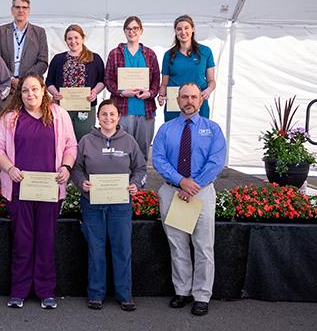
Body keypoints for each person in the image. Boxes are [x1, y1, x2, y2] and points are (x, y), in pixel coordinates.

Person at [0, 74, 77, 310]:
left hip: (50, 190)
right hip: (19, 189)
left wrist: (66, 167)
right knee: (22, 240)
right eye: (26, 90)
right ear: (21, 93)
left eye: (35, 89)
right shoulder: (10, 117)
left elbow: (71, 145)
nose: (31, 94)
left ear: (43, 90)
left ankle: (46, 291)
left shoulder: (59, 115)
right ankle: (18, 291)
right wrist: (10, 168)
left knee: (46, 240)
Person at [152, 83, 226, 316]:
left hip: (201, 192)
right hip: (172, 191)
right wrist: (180, 181)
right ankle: (182, 291)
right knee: (178, 244)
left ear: (201, 100)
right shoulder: (166, 129)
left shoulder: (212, 129)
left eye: (194, 97)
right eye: (184, 97)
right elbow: (158, 159)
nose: (189, 101)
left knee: (203, 246)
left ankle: (202, 295)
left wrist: (192, 185)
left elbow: (216, 161)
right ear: (178, 99)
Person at [71, 99, 147, 311]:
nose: (108, 118)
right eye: (104, 114)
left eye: (112, 114)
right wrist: (81, 182)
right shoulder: (86, 141)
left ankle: (125, 295)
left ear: (118, 117)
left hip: (120, 205)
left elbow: (141, 169)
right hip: (92, 203)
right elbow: (75, 169)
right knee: (96, 249)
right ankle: (96, 294)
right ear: (98, 117)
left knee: (122, 248)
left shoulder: (129, 141)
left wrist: (134, 185)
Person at [104, 16, 160, 161]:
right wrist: (121, 92)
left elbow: (156, 80)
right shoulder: (115, 54)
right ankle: (121, 182)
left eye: (135, 28)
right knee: (121, 151)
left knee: (142, 152)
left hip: (145, 111)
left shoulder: (150, 54)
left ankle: (140, 182)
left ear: (141, 30)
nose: (132, 31)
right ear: (124, 31)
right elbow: (108, 80)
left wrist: (150, 93)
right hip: (122, 111)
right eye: (128, 29)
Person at [46, 24, 105, 142]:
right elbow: (49, 82)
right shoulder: (58, 59)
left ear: (83, 38)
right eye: (69, 38)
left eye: (76, 38)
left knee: (84, 139)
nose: (73, 41)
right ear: (66, 41)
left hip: (86, 107)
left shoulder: (95, 58)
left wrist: (95, 92)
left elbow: (102, 80)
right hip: (63, 107)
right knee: (62, 139)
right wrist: (55, 93)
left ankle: (82, 161)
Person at [158, 15, 216, 122]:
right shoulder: (168, 55)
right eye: (179, 29)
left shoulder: (205, 52)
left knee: (198, 136)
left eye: (186, 28)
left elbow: (211, 81)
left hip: (199, 104)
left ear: (193, 29)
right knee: (174, 137)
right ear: (175, 31)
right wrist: (161, 96)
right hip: (174, 105)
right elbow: (164, 84)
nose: (183, 32)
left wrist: (208, 90)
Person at [0, 0, 49, 98]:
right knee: (8, 114)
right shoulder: (1, 31)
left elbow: (43, 62)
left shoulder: (39, 32)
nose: (21, 10)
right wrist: (11, 79)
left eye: (24, 7)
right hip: (7, 87)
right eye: (17, 7)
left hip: (32, 89)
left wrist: (25, 80)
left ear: (29, 10)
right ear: (12, 10)